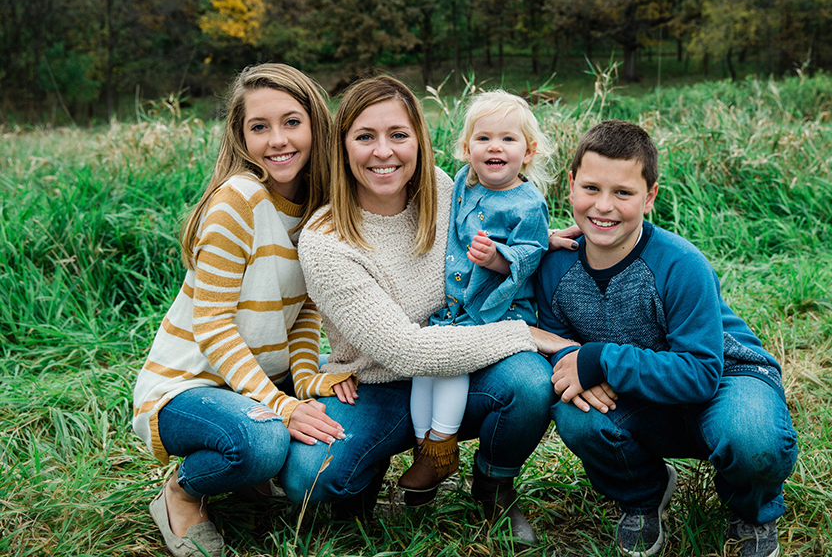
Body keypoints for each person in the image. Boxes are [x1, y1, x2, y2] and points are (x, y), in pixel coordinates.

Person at [287, 75, 570, 545]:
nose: (384, 152)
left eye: (398, 135)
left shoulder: (443, 190)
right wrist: (526, 334)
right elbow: (403, 351)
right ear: (342, 147)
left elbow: (500, 220)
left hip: (462, 364)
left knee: (527, 382)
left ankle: (493, 486)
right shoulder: (326, 238)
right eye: (365, 137)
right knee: (311, 477)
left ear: (419, 138)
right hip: (376, 383)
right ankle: (370, 470)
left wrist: (541, 245)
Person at [535, 120, 798, 557]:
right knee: (577, 414)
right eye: (591, 188)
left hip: (724, 377)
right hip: (637, 392)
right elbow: (563, 355)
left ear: (650, 196)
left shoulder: (680, 264)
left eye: (623, 193)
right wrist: (577, 360)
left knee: (751, 438)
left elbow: (700, 374)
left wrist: (600, 359)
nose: (603, 206)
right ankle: (642, 495)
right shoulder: (555, 267)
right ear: (571, 186)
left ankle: (752, 510)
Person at [132, 64, 351, 557]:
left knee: (342, 419)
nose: (278, 140)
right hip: (190, 385)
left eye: (292, 122)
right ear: (240, 136)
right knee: (263, 442)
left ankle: (254, 479)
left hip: (258, 381)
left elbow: (303, 317)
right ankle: (181, 495)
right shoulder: (239, 200)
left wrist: (305, 378)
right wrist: (284, 406)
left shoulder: (320, 210)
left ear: (316, 124)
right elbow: (212, 326)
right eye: (260, 127)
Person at [396, 91, 552, 497]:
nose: (494, 146)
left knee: (451, 363)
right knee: (423, 369)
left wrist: (499, 258)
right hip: (456, 307)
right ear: (467, 149)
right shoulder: (462, 182)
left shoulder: (528, 202)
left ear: (529, 151)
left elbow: (530, 252)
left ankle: (442, 446)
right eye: (483, 139)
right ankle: (424, 447)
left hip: (495, 309)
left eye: (508, 139)